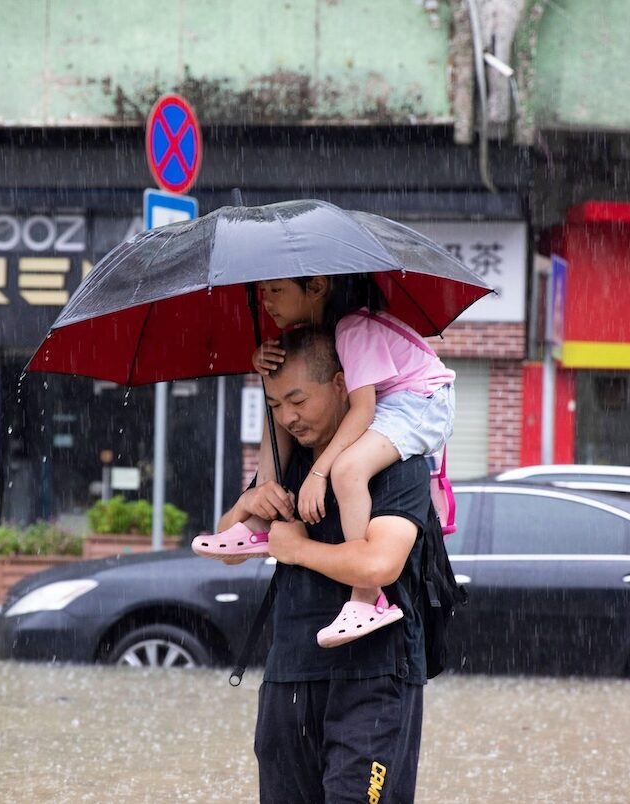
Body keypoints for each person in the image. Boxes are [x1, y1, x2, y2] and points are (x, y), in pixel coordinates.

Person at [214, 327, 433, 803]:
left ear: (340, 386)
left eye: (298, 400)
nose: (289, 417)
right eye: (275, 407)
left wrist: (297, 550)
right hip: (288, 676)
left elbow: (379, 565)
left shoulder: (396, 461)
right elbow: (228, 546)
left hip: (373, 679)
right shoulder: (284, 462)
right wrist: (251, 500)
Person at [194, 275, 455, 648]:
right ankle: (257, 522)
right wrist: (249, 502)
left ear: (316, 287)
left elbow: (363, 409)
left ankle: (368, 598)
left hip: (421, 404)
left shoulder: (353, 329)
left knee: (347, 470)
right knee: (292, 417)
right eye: (263, 292)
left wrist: (319, 477)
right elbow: (227, 555)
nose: (266, 301)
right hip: (293, 669)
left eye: (276, 290)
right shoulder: (325, 334)